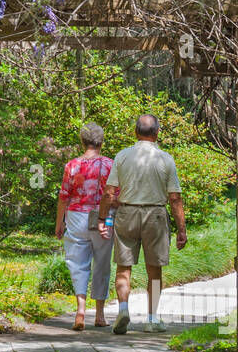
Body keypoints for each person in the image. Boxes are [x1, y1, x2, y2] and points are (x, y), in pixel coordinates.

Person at [98, 114, 186, 334]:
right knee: (154, 270)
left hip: (126, 213)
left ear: (135, 133)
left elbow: (109, 193)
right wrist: (181, 230)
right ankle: (152, 318)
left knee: (123, 267)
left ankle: (124, 309)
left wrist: (102, 218)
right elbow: (175, 197)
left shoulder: (123, 156)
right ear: (157, 133)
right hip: (155, 215)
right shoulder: (165, 158)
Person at [54, 122, 117, 331]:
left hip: (76, 216)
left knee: (77, 263)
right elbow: (115, 195)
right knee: (102, 263)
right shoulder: (110, 165)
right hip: (103, 216)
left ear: (83, 141)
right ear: (101, 141)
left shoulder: (72, 165)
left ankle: (81, 309)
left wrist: (59, 223)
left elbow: (64, 197)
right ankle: (99, 314)